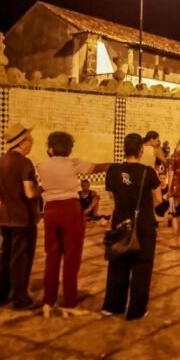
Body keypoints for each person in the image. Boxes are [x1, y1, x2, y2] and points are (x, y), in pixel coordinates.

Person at [37, 131, 110, 318]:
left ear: (50, 148)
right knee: (71, 259)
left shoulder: (42, 166)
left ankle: (48, 301)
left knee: (51, 257)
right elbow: (97, 167)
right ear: (69, 148)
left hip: (50, 211)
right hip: (70, 210)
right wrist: (115, 164)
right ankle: (69, 303)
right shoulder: (73, 163)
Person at [102, 133, 162, 321]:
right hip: (143, 223)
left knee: (117, 262)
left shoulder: (113, 170)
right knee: (142, 265)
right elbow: (158, 199)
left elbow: (112, 198)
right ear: (141, 150)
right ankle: (136, 309)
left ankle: (112, 305)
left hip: (120, 220)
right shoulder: (148, 172)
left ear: (124, 149)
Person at [0, 123, 41, 310]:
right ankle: (20, 299)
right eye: (30, 140)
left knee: (6, 256)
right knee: (21, 259)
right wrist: (41, 189)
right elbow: (29, 192)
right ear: (22, 142)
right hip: (23, 219)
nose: (32, 143)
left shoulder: (0, 161)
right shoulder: (24, 163)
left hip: (5, 217)